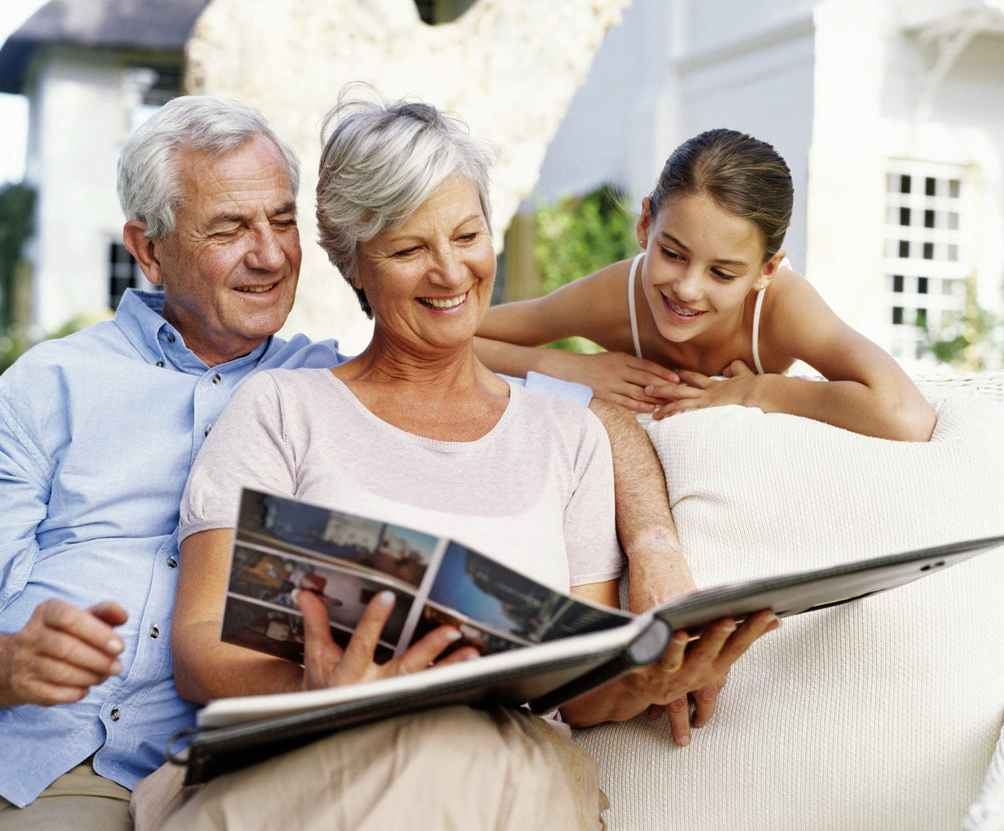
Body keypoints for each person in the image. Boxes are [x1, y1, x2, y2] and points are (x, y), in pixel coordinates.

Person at [0, 96, 705, 830]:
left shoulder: (337, 383)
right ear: (147, 249)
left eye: (281, 220)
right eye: (230, 228)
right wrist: (8, 660)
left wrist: (655, 552)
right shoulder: (60, 391)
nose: (270, 254)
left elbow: (543, 394)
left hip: (133, 774)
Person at [133, 89, 778, 831]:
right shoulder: (281, 408)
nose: (450, 273)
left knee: (471, 758)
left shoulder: (565, 436)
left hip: (497, 765)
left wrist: (649, 679)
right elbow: (201, 648)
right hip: (312, 756)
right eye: (409, 249)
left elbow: (582, 690)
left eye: (467, 235)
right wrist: (322, 687)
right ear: (355, 268)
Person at [475, 128, 937, 442]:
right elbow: (456, 336)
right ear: (645, 226)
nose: (688, 289)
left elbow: (906, 416)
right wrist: (564, 365)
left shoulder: (779, 308)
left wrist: (752, 392)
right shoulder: (622, 296)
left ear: (766, 271)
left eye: (723, 273)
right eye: (672, 254)